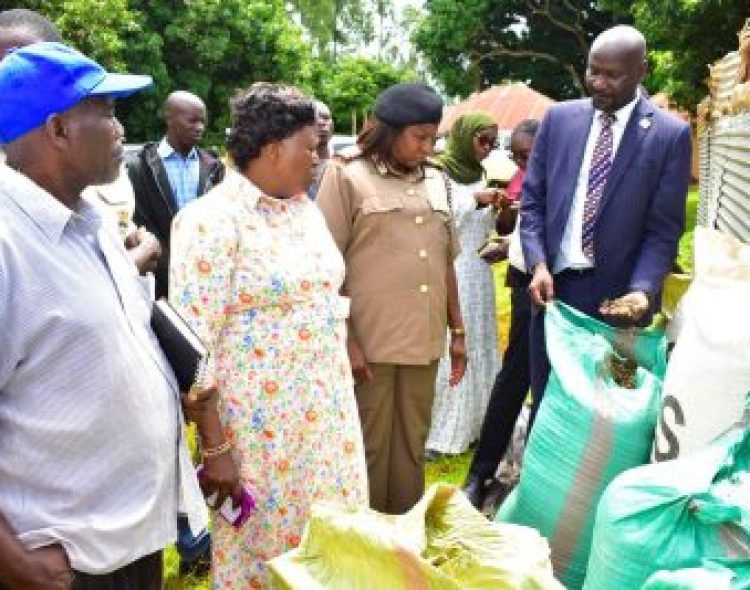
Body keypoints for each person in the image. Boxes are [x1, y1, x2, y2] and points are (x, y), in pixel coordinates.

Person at [0, 42, 207, 590]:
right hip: (58, 560)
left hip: (131, 541)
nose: (121, 128)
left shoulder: (92, 222)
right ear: (58, 130)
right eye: (108, 111)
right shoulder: (7, 242)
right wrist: (10, 561)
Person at [169, 83, 368, 588]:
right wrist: (215, 448)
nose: (320, 158)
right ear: (275, 148)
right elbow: (193, 344)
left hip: (326, 421)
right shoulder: (209, 221)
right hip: (260, 434)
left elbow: (325, 296)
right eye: (312, 147)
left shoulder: (304, 211)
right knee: (264, 556)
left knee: (330, 545)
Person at [521, 25, 692, 421]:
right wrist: (538, 264)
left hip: (618, 304)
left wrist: (642, 291)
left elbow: (663, 230)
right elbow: (533, 203)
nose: (598, 83)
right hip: (553, 294)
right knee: (547, 409)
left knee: (606, 420)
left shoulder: (669, 135)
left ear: (642, 71)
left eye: (611, 75)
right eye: (592, 70)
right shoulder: (559, 120)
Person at [317, 82, 468, 515]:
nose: (427, 146)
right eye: (419, 136)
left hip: (422, 340)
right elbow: (327, 268)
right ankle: (364, 545)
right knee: (367, 448)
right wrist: (347, 340)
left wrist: (457, 331)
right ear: (390, 130)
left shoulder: (438, 179)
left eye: (433, 138)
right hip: (370, 341)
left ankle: (402, 542)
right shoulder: (346, 174)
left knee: (411, 445)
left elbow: (445, 262)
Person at [0, 8, 161, 277]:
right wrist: (128, 267)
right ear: (59, 129)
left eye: (28, 61)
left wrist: (127, 252)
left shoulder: (98, 168)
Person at [462, 119, 539, 510]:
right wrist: (510, 242)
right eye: (519, 155)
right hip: (527, 286)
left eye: (528, 154)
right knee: (512, 380)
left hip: (565, 290)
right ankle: (480, 474)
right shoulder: (524, 179)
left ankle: (537, 479)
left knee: (548, 387)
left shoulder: (562, 175)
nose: (523, 161)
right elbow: (525, 225)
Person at [425, 112, 502, 456]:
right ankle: (444, 432)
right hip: (451, 270)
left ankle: (478, 424)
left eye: (493, 143)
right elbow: (436, 221)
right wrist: (475, 200)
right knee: (452, 347)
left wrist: (500, 209)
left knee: (481, 342)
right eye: (482, 140)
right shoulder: (438, 171)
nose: (487, 149)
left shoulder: (481, 173)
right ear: (463, 137)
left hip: (479, 270)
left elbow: (484, 227)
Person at [128, 90, 225, 299]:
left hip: (204, 278)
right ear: (169, 119)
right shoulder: (141, 167)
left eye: (202, 121)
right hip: (156, 282)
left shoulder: (213, 167)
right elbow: (140, 222)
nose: (199, 127)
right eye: (192, 120)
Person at [306, 99, 333, 199]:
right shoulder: (296, 168)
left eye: (326, 118)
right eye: (314, 119)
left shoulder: (343, 163)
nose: (321, 123)